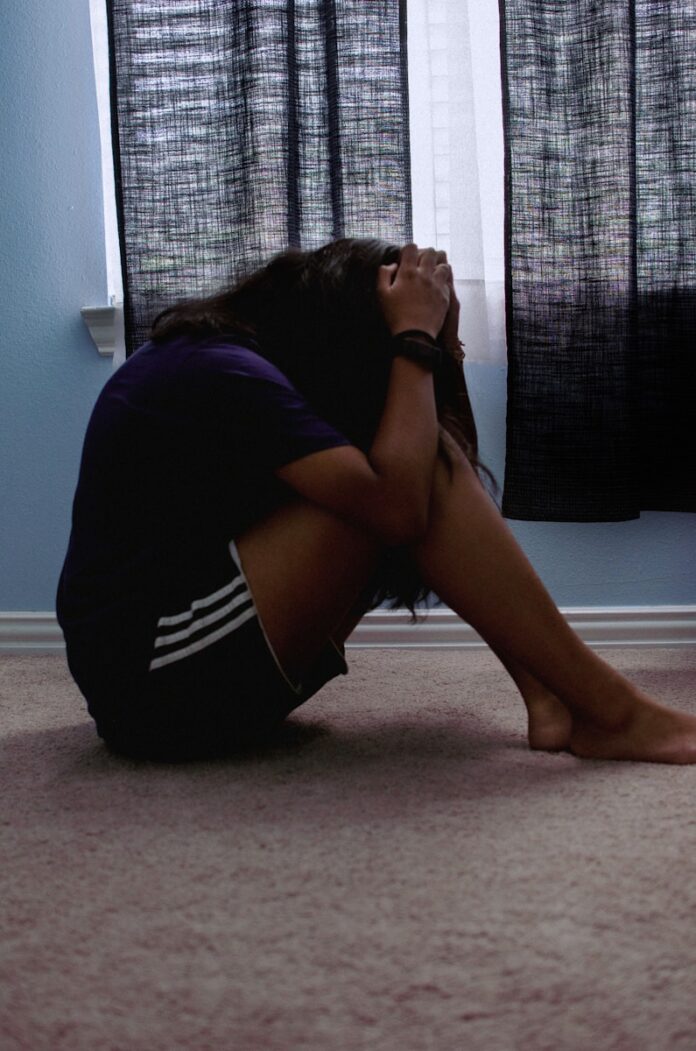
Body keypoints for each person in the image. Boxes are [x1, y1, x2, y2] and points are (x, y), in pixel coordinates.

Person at [57, 239, 696, 763]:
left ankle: (554, 701)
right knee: (404, 483)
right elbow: (404, 505)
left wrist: (439, 347)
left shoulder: (255, 367)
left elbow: (445, 455)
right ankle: (611, 712)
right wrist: (411, 341)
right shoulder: (219, 368)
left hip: (202, 670)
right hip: (155, 685)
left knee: (413, 462)